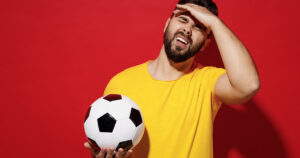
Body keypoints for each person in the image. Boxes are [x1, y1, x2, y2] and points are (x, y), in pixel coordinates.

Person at [84, 0, 260, 157]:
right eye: (183, 20)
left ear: (206, 43)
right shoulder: (121, 83)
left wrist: (215, 22)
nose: (187, 29)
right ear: (167, 24)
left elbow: (248, 85)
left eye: (198, 26)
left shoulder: (207, 81)